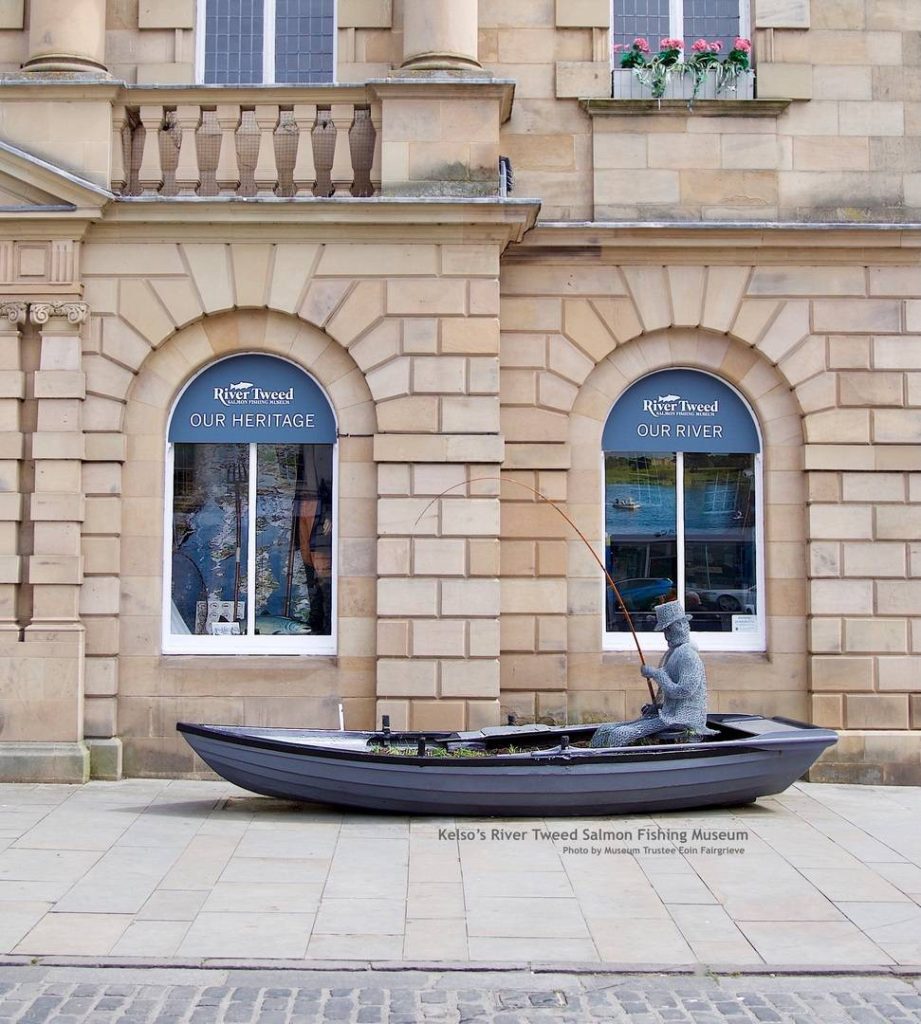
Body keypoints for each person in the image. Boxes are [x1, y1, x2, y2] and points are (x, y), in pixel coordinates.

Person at [590, 600, 709, 748]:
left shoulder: (688, 655)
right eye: (665, 631)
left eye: (669, 630)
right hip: (669, 714)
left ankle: (617, 766)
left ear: (681, 625)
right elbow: (672, 697)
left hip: (683, 718)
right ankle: (594, 762)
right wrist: (657, 707)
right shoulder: (673, 653)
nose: (666, 636)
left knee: (620, 734)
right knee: (604, 730)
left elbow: (683, 692)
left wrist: (657, 674)